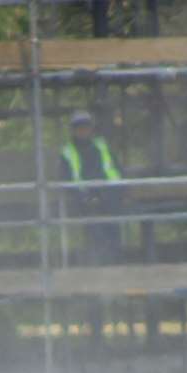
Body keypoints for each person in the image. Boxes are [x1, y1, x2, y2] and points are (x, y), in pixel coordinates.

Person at [58, 110, 124, 265]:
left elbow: (117, 170)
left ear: (91, 128)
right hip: (84, 197)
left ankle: (116, 261)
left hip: (108, 193)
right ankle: (102, 262)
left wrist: (118, 191)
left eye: (86, 126)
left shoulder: (102, 146)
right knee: (94, 223)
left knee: (113, 221)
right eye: (79, 127)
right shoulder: (67, 152)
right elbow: (66, 180)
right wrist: (84, 195)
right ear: (73, 130)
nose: (83, 130)